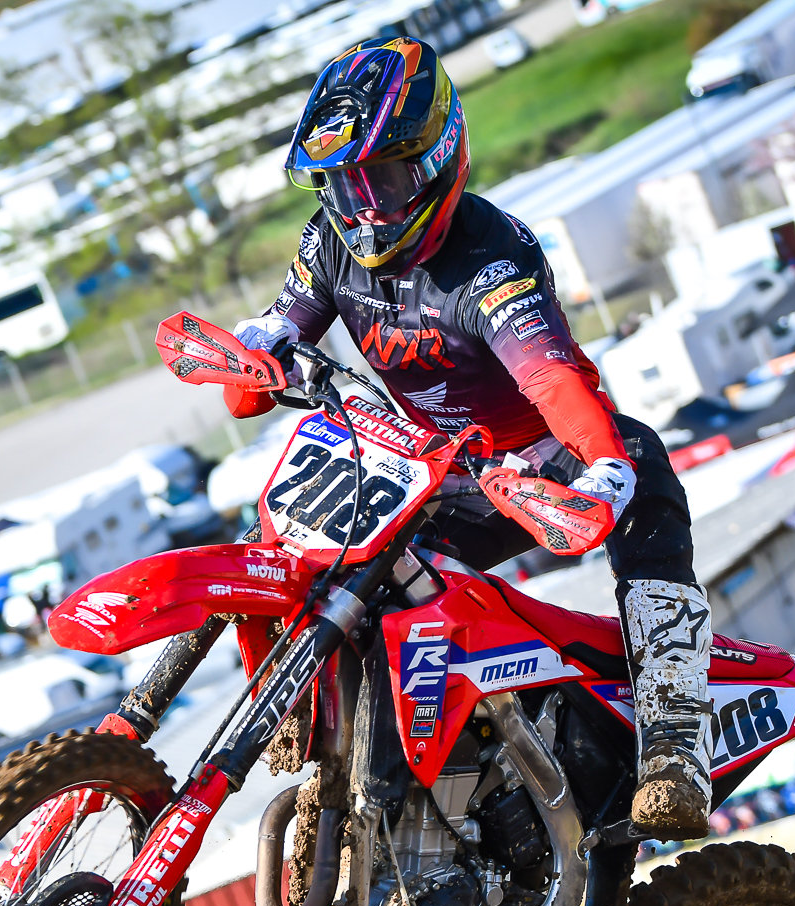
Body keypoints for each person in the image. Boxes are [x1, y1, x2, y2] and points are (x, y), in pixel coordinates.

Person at [229, 37, 711, 836]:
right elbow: (260, 368)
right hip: (423, 471)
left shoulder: (491, 259)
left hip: (535, 462)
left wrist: (600, 466)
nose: (365, 208)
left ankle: (674, 745)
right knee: (303, 545)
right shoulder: (328, 239)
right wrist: (262, 343)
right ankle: (333, 747)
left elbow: (551, 379)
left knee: (641, 459)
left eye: (382, 179)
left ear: (436, 159)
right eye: (343, 183)